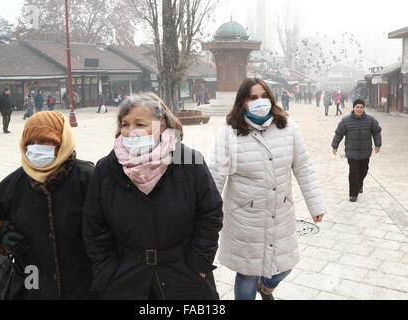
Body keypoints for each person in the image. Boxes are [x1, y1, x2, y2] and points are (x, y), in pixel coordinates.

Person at [83, 92, 223, 300]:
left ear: (162, 126)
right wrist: (107, 270)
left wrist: (198, 266)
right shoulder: (107, 168)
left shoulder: (188, 161)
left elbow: (210, 215)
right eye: (125, 124)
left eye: (140, 124)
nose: (131, 132)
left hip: (183, 275)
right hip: (126, 277)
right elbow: (94, 225)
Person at [209, 78, 326, 300]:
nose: (259, 101)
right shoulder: (229, 133)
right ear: (243, 102)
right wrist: (206, 218)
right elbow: (215, 175)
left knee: (284, 266)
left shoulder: (288, 127)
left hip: (279, 214)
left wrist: (316, 204)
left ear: (271, 99)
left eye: (263, 96)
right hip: (245, 218)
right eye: (253, 97)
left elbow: (304, 167)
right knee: (247, 273)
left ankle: (266, 287)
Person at [0, 111, 95, 299]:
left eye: (46, 142)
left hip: (84, 285)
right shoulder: (11, 186)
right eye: (33, 143)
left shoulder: (87, 178)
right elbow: (0, 218)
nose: (38, 148)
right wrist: (4, 236)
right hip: (33, 284)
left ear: (62, 142)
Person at [331, 99, 382, 202]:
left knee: (364, 170)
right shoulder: (345, 121)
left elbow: (377, 131)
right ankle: (353, 194)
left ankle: (359, 185)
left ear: (363, 108)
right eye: (357, 107)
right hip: (352, 151)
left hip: (365, 150)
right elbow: (338, 134)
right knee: (353, 172)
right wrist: (335, 146)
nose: (359, 109)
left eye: (361, 107)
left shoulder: (370, 120)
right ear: (353, 108)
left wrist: (378, 144)